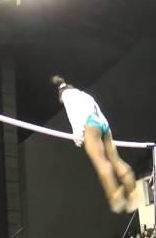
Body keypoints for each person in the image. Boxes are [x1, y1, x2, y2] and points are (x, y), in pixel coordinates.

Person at [52, 75, 143, 213]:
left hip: (91, 125)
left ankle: (116, 197)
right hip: (103, 123)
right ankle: (133, 193)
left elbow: (74, 116)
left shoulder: (67, 96)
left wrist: (77, 136)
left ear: (61, 95)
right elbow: (96, 111)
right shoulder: (84, 95)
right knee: (116, 160)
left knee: (101, 163)